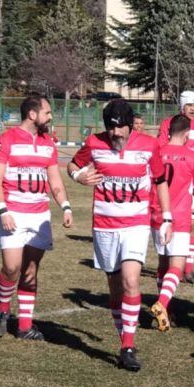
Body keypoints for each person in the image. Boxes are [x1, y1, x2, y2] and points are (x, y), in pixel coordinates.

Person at [68, 98, 171, 372]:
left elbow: (161, 181)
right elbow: (72, 165)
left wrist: (167, 218)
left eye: (121, 129)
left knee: (130, 280)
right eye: (111, 129)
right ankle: (124, 339)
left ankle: (127, 346)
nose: (116, 134)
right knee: (115, 288)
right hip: (104, 226)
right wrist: (79, 177)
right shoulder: (94, 143)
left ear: (130, 125)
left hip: (136, 225)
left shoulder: (149, 145)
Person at [0, 94, 73, 340]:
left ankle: (25, 325)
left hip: (39, 215)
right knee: (12, 268)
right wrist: (3, 210)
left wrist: (65, 206)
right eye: (47, 112)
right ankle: (2, 310)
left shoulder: (48, 143)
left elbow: (54, 179)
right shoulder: (7, 139)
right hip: (13, 213)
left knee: (31, 269)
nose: (50, 117)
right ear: (32, 114)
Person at [148, 114, 194, 332]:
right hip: (178, 216)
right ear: (187, 134)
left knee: (162, 262)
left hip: (156, 214)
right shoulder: (192, 156)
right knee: (177, 267)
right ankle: (162, 304)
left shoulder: (155, 152)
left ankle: (165, 313)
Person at [158, 90, 194, 284]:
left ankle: (189, 267)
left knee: (192, 224)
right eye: (189, 105)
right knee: (173, 223)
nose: (193, 109)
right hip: (176, 179)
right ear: (181, 106)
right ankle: (171, 266)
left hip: (191, 178)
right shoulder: (169, 124)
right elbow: (162, 148)